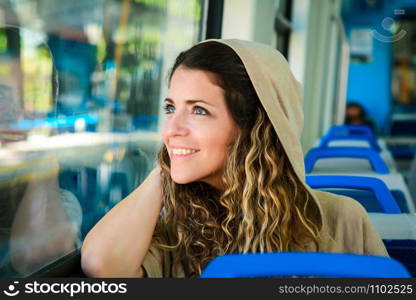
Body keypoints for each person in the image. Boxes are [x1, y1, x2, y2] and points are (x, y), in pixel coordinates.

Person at [80, 39, 388, 278]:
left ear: (252, 128)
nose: (171, 129)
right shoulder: (177, 230)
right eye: (171, 108)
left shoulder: (341, 221)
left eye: (199, 110)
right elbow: (102, 267)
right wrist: (167, 164)